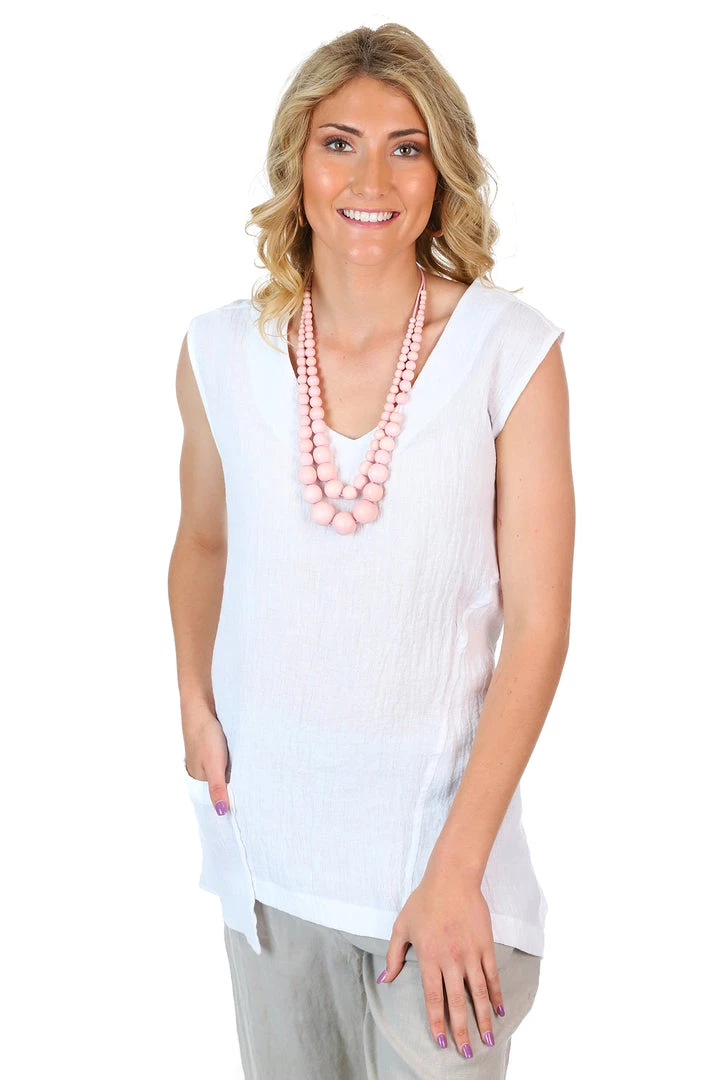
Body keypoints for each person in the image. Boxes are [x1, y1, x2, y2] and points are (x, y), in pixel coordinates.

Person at [168, 21, 574, 1079]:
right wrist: (194, 700)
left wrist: (456, 873)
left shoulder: (509, 352)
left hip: (439, 879)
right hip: (271, 859)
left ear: (442, 173)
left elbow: (539, 626)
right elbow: (203, 539)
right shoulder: (220, 350)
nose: (372, 181)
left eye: (407, 148)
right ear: (296, 163)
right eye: (340, 143)